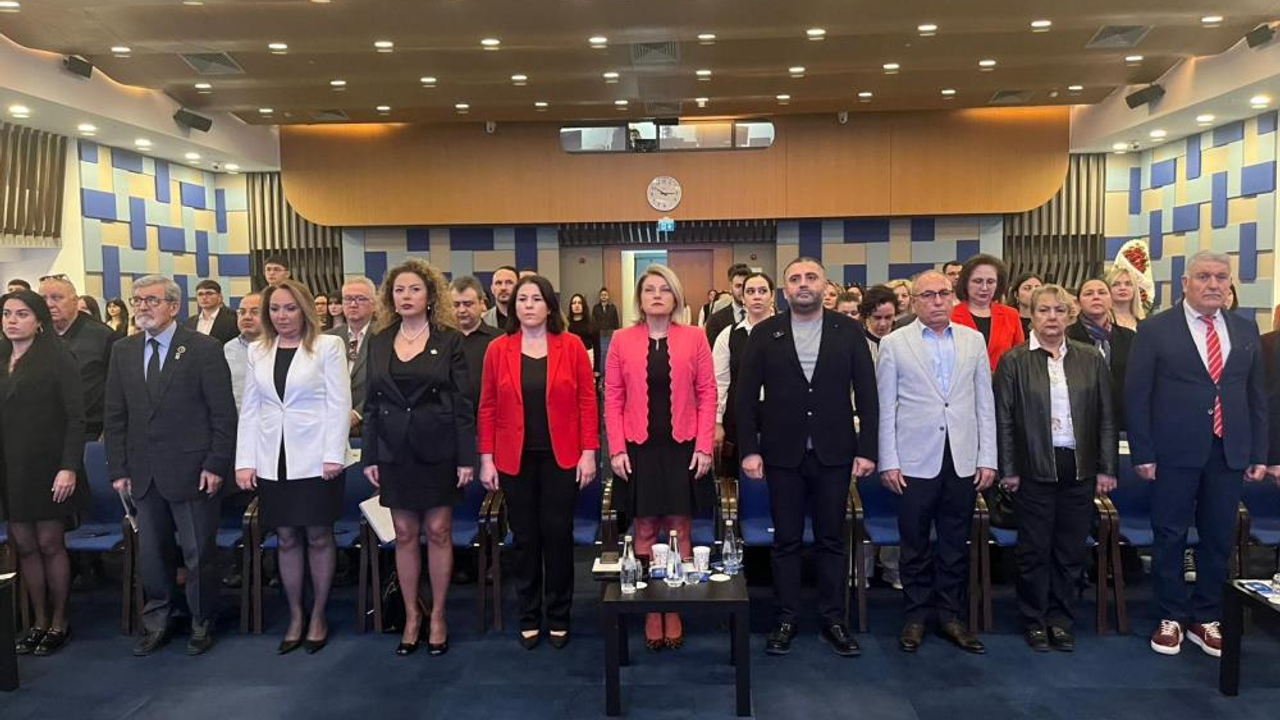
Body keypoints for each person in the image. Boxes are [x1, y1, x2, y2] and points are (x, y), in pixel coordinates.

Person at [1125, 250, 1270, 657]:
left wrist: (1259, 451)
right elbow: (1137, 396)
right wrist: (1143, 452)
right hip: (1173, 451)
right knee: (1169, 535)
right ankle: (1170, 615)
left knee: (1219, 537)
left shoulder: (1245, 329)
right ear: (1185, 283)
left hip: (1229, 451)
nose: (1213, 284)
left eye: (1221, 277)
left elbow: (1256, 396)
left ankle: (1205, 616)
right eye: (1204, 276)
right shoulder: (1154, 330)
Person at [737, 258, 878, 657]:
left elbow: (868, 394)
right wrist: (749, 449)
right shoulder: (765, 333)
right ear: (785, 290)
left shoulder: (848, 330)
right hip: (782, 453)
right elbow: (745, 398)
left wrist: (868, 449)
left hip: (835, 452)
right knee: (786, 540)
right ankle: (786, 617)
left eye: (811, 277)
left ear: (824, 285)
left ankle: (834, 619)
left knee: (832, 539)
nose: (803, 284)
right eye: (795, 279)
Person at [103, 275, 237, 656]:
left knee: (198, 554)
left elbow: (223, 414)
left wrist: (216, 464)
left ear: (174, 306)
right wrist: (118, 469)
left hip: (194, 471)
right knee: (153, 556)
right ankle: (158, 621)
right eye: (137, 300)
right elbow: (115, 415)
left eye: (152, 300)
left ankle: (202, 620)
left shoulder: (203, 348)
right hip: (143, 474)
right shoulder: (123, 351)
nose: (142, 307)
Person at [877, 269, 997, 655]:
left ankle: (950, 617)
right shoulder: (894, 343)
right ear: (913, 302)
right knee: (914, 544)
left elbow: (985, 403)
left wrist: (988, 457)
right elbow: (885, 407)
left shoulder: (973, 340)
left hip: (962, 458)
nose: (937, 301)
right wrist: (888, 460)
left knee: (954, 544)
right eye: (927, 295)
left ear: (953, 297)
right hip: (913, 460)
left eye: (943, 293)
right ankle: (914, 616)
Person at [994, 284, 1118, 652]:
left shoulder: (1090, 358)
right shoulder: (1014, 361)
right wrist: (1008, 468)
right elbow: (1004, 419)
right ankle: (1034, 619)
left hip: (1079, 467)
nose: (1052, 317)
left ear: (1070, 315)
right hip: (1032, 467)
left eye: (1059, 310)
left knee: (1070, 549)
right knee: (1034, 549)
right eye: (1044, 310)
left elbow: (1107, 417)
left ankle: (1061, 619)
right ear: (1030, 316)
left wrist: (1107, 468)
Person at [477, 275, 598, 649]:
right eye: (522, 299)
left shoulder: (571, 345)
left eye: (536, 298)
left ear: (549, 306)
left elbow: (587, 401)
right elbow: (487, 405)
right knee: (525, 538)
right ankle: (529, 614)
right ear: (513, 307)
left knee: (558, 535)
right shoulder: (498, 349)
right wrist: (486, 458)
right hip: (514, 458)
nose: (528, 305)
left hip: (562, 457)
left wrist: (589, 452)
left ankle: (559, 614)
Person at [362, 259, 475, 656]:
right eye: (399, 290)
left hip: (439, 448)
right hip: (393, 451)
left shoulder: (450, 340)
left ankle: (439, 614)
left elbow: (463, 403)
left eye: (414, 289)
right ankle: (412, 615)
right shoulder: (379, 340)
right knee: (405, 534)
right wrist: (370, 455)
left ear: (429, 296)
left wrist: (466, 458)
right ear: (390, 298)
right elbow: (371, 404)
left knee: (439, 531)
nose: (406, 296)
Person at [235, 280, 350, 655]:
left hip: (317, 457)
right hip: (273, 457)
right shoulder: (258, 350)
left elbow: (339, 403)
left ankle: (318, 615)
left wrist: (334, 454)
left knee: (318, 536)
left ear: (305, 310)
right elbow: (251, 408)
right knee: (285, 537)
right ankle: (296, 615)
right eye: (274, 309)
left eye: (289, 308)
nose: (281, 316)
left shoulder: (328, 346)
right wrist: (245, 461)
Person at [605, 264, 715, 652]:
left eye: (664, 289)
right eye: (649, 289)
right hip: (638, 447)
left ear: (676, 297)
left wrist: (704, 446)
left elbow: (708, 393)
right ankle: (653, 609)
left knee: (680, 528)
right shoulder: (621, 339)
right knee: (645, 528)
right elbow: (612, 397)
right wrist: (616, 448)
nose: (656, 295)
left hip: (683, 446)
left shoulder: (695, 337)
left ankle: (675, 604)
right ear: (639, 298)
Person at [1, 290, 88, 656]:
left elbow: (76, 418)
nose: (11, 320)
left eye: (21, 314)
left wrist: (69, 467)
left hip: (50, 466)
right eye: (7, 313)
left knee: (50, 544)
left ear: (38, 321)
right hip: (10, 467)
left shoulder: (57, 356)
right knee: (24, 546)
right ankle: (38, 620)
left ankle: (59, 621)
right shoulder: (2, 356)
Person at [859, 284, 902, 589]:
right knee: (861, 499)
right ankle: (860, 568)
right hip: (860, 427)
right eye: (877, 318)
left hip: (898, 429)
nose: (884, 324)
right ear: (866, 317)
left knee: (894, 497)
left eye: (889, 317)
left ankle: (892, 566)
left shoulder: (902, 343)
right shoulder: (856, 343)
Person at [712, 271, 774, 469]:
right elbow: (719, 383)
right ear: (743, 298)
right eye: (750, 291)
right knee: (738, 474)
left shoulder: (789, 332)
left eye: (762, 291)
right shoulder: (728, 335)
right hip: (738, 417)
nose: (757, 296)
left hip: (779, 417)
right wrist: (717, 422)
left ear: (772, 296)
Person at [41, 275, 115, 439]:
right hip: (46, 431)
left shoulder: (102, 336)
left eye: (57, 298)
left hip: (90, 431)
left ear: (75, 301)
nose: (49, 304)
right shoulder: (36, 334)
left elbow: (118, 388)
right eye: (43, 299)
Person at [1067, 278, 1135, 432]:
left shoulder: (1129, 337)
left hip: (1120, 420)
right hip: (1079, 420)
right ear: (1078, 302)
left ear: (1111, 300)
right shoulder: (1067, 337)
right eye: (1089, 293)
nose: (1096, 297)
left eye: (1102, 292)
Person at [952, 254, 1025, 372]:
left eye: (990, 282)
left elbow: (1020, 357)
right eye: (977, 281)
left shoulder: (1011, 315)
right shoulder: (950, 316)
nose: (984, 287)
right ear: (966, 283)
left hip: (1003, 381)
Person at [326, 277, 377, 434]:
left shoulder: (384, 337)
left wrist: (357, 413)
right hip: (331, 424)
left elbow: (386, 383)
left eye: (360, 299)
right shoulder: (327, 338)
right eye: (348, 299)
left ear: (374, 304)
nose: (353, 304)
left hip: (372, 423)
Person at [449, 276, 499, 410]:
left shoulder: (499, 340)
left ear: (482, 304)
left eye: (468, 304)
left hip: (489, 414)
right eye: (456, 305)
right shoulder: (440, 341)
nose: (462, 310)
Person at [224, 293, 263, 409]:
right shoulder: (229, 348)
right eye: (242, 312)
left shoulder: (279, 347)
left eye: (255, 312)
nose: (247, 317)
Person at [704, 263, 752, 345]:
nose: (742, 290)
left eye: (746, 286)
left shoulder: (763, 316)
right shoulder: (715, 320)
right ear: (730, 287)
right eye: (738, 286)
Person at [185, 279, 239, 344]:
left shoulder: (233, 320)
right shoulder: (189, 323)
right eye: (200, 294)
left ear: (219, 297)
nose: (204, 297)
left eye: (209, 293)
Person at [565, 293, 600, 371]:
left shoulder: (591, 322)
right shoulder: (566, 323)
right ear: (570, 306)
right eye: (574, 303)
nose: (577, 305)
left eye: (579, 303)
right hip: (570, 358)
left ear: (583, 305)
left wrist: (596, 369)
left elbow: (597, 347)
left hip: (588, 357)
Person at [1108, 266, 1146, 331]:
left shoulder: (1145, 321)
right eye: (1116, 284)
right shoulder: (1103, 321)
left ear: (1134, 289)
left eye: (1128, 284)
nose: (1123, 288)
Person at [1008, 272, 1044, 337]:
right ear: (1016, 295)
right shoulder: (1007, 320)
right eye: (1027, 288)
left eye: (1038, 288)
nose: (1034, 291)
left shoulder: (1048, 321)